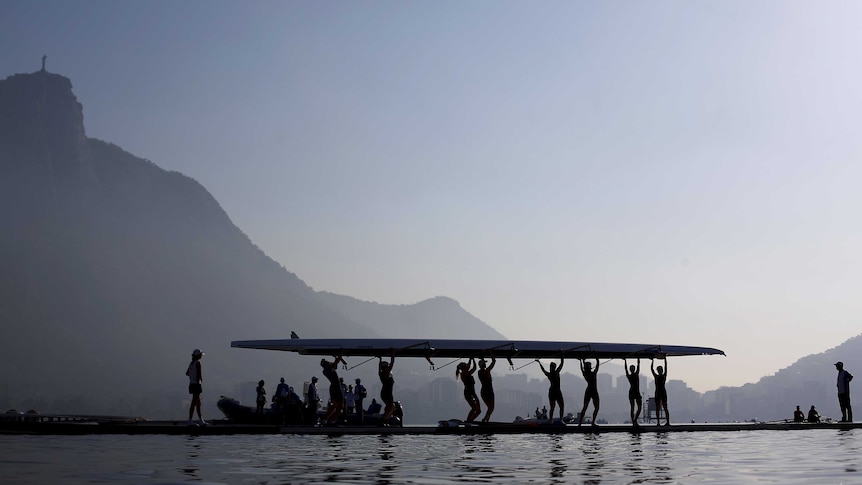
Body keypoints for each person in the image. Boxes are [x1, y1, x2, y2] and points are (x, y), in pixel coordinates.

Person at [321, 355, 347, 424]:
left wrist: (337, 357)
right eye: (327, 362)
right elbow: (336, 363)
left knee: (334, 405)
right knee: (340, 405)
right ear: (326, 364)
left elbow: (335, 365)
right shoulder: (329, 368)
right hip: (336, 387)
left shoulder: (325, 370)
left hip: (332, 388)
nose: (329, 362)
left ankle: (325, 420)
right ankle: (332, 421)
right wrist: (340, 353)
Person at [539, 358, 565, 424]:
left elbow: (543, 370)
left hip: (554, 391)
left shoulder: (551, 374)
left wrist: (539, 363)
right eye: (552, 367)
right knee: (554, 407)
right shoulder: (555, 373)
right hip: (555, 391)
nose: (552, 368)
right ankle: (552, 420)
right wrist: (562, 355)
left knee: (559, 406)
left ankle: (558, 420)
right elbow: (562, 364)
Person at [456, 358, 481, 422]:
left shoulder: (466, 372)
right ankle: (468, 421)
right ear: (463, 368)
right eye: (466, 366)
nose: (467, 367)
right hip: (469, 393)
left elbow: (469, 366)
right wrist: (473, 360)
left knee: (478, 410)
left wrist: (471, 359)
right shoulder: (465, 374)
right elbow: (474, 368)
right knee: (474, 408)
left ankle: (470, 421)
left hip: (472, 393)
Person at [185, 348, 207, 425]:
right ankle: (190, 420)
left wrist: (192, 377)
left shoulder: (191, 363)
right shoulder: (198, 363)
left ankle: (201, 420)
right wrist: (200, 381)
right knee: (194, 402)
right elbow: (199, 375)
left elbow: (187, 373)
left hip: (191, 384)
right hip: (197, 384)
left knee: (198, 403)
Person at [576, 358, 598, 426]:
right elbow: (597, 366)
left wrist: (582, 361)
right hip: (593, 390)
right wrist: (597, 358)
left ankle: (580, 423)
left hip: (589, 390)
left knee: (585, 407)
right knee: (595, 408)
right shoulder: (592, 373)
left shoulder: (585, 373)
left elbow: (582, 368)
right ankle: (592, 423)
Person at [651, 357, 670, 426]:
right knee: (657, 408)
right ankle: (658, 422)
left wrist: (665, 360)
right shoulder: (656, 376)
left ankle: (667, 422)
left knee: (665, 407)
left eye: (660, 370)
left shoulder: (664, 376)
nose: (659, 371)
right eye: (658, 370)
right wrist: (652, 361)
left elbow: (666, 367)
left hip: (662, 392)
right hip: (658, 392)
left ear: (661, 370)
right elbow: (652, 370)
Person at [478, 355, 496, 423]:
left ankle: (486, 420)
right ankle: (485, 419)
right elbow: (494, 361)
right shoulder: (486, 371)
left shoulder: (480, 372)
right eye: (484, 363)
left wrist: (482, 358)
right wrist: (491, 353)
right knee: (491, 408)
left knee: (490, 408)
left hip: (485, 391)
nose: (485, 364)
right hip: (488, 391)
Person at [379, 353, 396, 425]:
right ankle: (383, 421)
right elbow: (392, 363)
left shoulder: (381, 373)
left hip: (384, 393)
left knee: (391, 407)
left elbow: (379, 366)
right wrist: (393, 354)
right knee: (391, 406)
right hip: (387, 393)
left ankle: (385, 420)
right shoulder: (386, 373)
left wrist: (380, 358)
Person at [625, 358, 643, 427]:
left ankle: (634, 421)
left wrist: (626, 361)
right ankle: (634, 421)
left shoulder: (632, 375)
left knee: (636, 407)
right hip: (634, 392)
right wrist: (638, 359)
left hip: (634, 392)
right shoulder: (634, 374)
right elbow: (638, 366)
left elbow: (626, 370)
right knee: (634, 407)